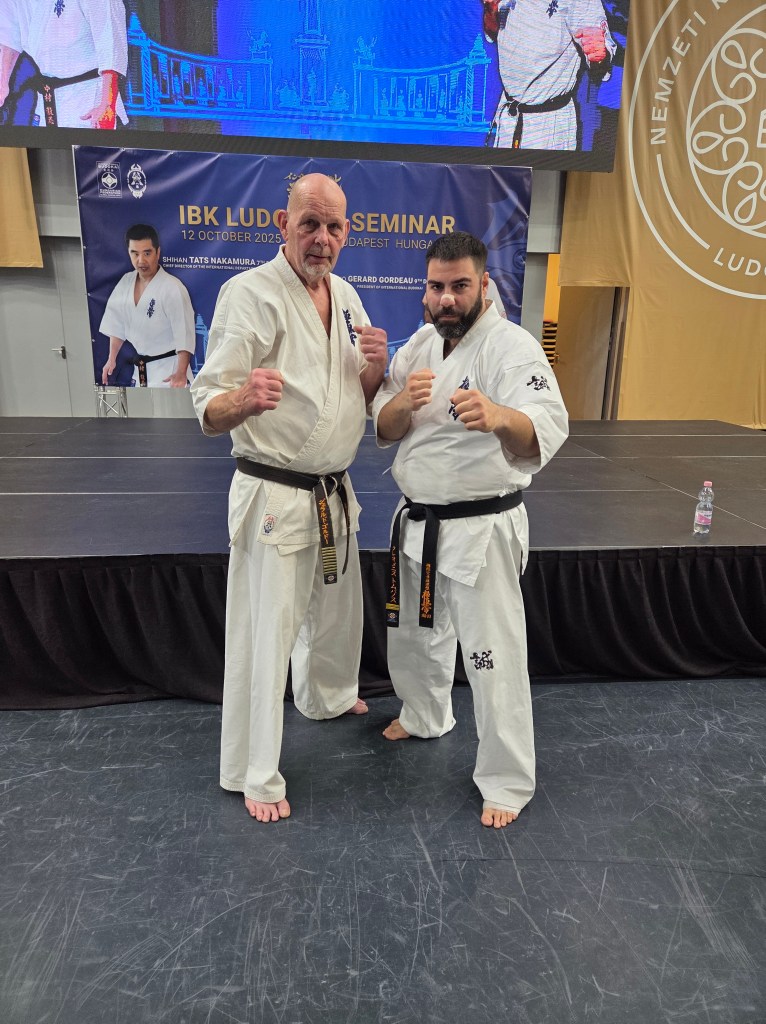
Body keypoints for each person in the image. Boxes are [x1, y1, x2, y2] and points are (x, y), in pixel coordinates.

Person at [190, 174, 388, 823]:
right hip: (274, 495)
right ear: (283, 224)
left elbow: (353, 396)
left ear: (347, 233)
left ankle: (327, 695)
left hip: (333, 493)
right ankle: (252, 771)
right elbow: (207, 402)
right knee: (263, 636)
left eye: (333, 226)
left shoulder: (350, 296)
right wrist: (241, 400)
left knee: (335, 612)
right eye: (310, 223)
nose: (322, 238)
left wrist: (375, 369)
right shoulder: (247, 294)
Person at [373, 232, 568, 828]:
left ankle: (507, 779)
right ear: (425, 288)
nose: (447, 298)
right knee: (414, 636)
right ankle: (424, 713)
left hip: (481, 527)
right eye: (437, 286)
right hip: (419, 524)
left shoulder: (512, 348)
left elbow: (545, 427)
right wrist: (404, 403)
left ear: (484, 285)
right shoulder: (418, 348)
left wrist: (499, 416)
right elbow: (382, 428)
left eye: (460, 286)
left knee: (490, 656)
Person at [482, 0, 615, 151]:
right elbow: (495, 32)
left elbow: (600, 57)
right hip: (508, 117)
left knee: (543, 174)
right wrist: (491, 11)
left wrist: (600, 54)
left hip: (547, 125)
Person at [0, 0, 127, 129]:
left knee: (88, 148)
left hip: (88, 94)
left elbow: (110, 44)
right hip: (47, 94)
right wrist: (2, 83)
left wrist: (107, 103)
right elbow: (10, 37)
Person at [100, 224, 195, 388]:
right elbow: (116, 323)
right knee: (142, 413)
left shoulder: (172, 287)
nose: (141, 260)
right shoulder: (126, 282)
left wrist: (181, 373)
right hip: (141, 370)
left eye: (147, 253)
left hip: (170, 369)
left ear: (157, 252)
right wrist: (111, 358)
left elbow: (184, 334)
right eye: (135, 253)